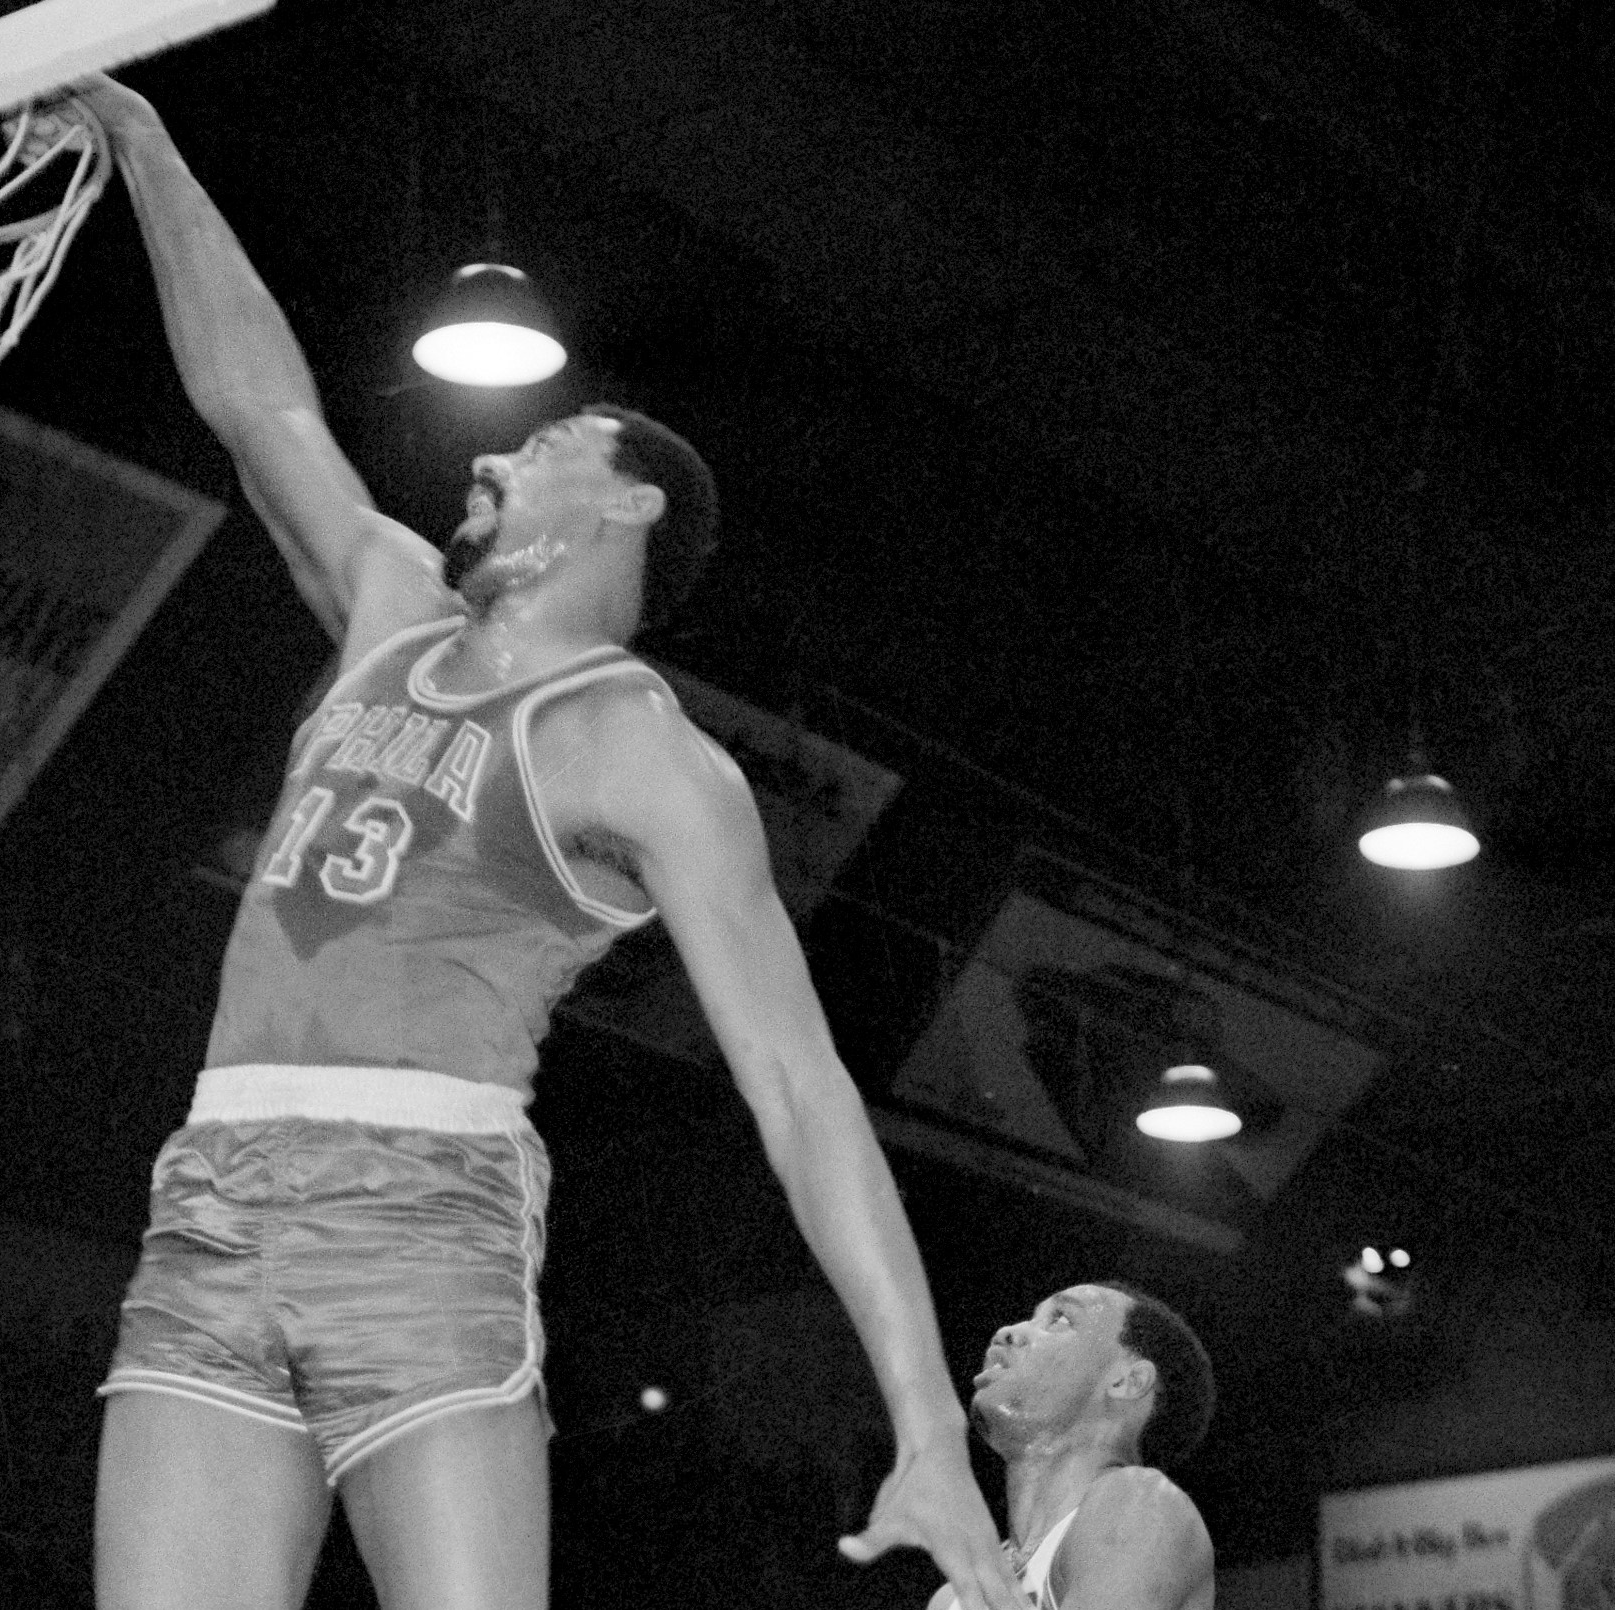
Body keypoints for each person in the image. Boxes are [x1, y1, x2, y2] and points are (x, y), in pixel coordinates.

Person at [78, 79, 1026, 1610]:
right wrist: (145, 142)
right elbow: (258, 407)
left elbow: (798, 1089)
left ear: (630, 497)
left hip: (422, 1213)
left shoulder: (643, 751)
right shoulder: (390, 606)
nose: (489, 454)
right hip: (211, 1198)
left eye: (543, 439)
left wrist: (923, 1421)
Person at [936, 1282, 1217, 1610]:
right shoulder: (955, 1593)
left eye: (1060, 1320)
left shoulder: (1144, 1504)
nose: (1008, 1332)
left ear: (1127, 1381)